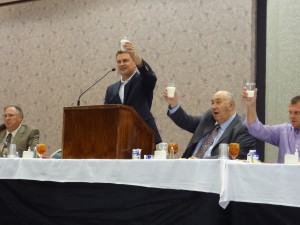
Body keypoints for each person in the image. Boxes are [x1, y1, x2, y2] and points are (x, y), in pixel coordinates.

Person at [163, 89, 256, 159]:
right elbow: (186, 121)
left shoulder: (243, 128)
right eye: (212, 103)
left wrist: (202, 162)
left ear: (231, 105)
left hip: (215, 176)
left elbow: (235, 157)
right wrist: (174, 104)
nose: (214, 106)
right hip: (189, 167)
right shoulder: (209, 118)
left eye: (218, 102)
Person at [104, 41, 162, 144]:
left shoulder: (142, 81)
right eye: (119, 62)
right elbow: (106, 116)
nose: (122, 64)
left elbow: (150, 76)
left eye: (125, 60)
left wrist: (137, 58)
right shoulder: (111, 89)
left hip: (144, 135)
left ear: (134, 63)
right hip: (120, 140)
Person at [242, 88, 300, 163]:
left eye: (296, 113)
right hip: (283, 174)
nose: (291, 117)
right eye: (290, 112)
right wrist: (251, 105)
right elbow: (256, 130)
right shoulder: (284, 131)